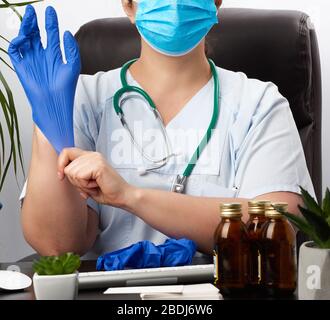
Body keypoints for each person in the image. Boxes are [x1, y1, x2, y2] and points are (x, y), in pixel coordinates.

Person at [10, 0, 315, 258]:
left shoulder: (258, 104)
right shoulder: (81, 99)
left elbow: (274, 227)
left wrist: (131, 196)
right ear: (129, 5)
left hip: (223, 289)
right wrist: (48, 120)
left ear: (216, 1)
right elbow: (59, 246)